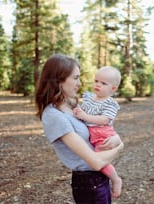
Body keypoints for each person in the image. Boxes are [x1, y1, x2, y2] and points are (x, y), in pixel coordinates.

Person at [35, 54, 124, 204]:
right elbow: (95, 162)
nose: (79, 83)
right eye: (75, 78)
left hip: (99, 178)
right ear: (59, 79)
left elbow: (97, 127)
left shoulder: (69, 106)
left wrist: (116, 138)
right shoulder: (53, 115)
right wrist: (120, 147)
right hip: (89, 182)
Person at [73, 66, 122, 198]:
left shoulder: (109, 103)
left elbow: (105, 120)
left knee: (99, 160)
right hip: (93, 132)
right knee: (96, 159)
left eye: (103, 83)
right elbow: (82, 110)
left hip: (102, 133)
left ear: (113, 89)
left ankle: (116, 179)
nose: (98, 85)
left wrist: (85, 117)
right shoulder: (90, 98)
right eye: (96, 81)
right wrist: (78, 111)